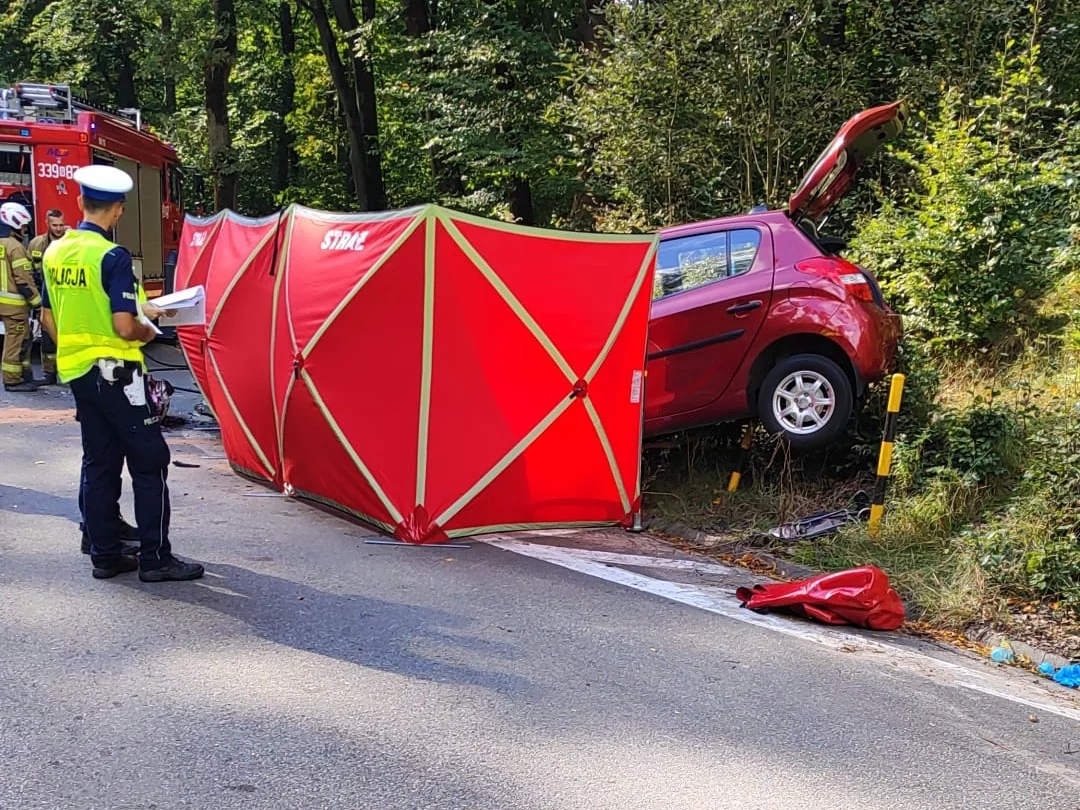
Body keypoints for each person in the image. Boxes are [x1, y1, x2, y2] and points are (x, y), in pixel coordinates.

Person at [40, 164, 203, 582]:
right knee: (150, 461)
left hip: (79, 372)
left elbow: (47, 316)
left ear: (80, 202)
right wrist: (150, 328)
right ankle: (156, 559)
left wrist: (76, 349)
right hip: (118, 374)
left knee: (100, 462)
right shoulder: (112, 256)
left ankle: (105, 554)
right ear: (118, 211)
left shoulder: (55, 252)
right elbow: (125, 326)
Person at [0, 201, 41, 392]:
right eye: (23, 226)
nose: (25, 230)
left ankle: (24, 373)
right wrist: (38, 303)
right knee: (15, 340)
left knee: (24, 337)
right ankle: (12, 380)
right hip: (14, 306)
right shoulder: (15, 247)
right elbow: (24, 281)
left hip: (4, 303)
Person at [27, 209, 68, 385]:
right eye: (55, 225)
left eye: (61, 225)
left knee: (69, 336)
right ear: (47, 224)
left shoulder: (71, 243)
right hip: (46, 295)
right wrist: (36, 300)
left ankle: (70, 372)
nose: (58, 229)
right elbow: (29, 273)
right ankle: (49, 373)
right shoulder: (36, 244)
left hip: (68, 296)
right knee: (47, 337)